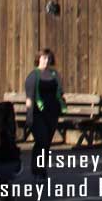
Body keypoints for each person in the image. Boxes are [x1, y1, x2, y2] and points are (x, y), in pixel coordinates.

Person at [24, 49, 64, 182]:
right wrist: (29, 116)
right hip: (37, 113)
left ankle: (41, 169)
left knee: (46, 144)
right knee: (41, 140)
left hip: (52, 112)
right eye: (43, 58)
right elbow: (29, 98)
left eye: (48, 58)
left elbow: (60, 91)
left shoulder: (55, 74)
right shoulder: (33, 76)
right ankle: (37, 170)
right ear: (38, 59)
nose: (46, 61)